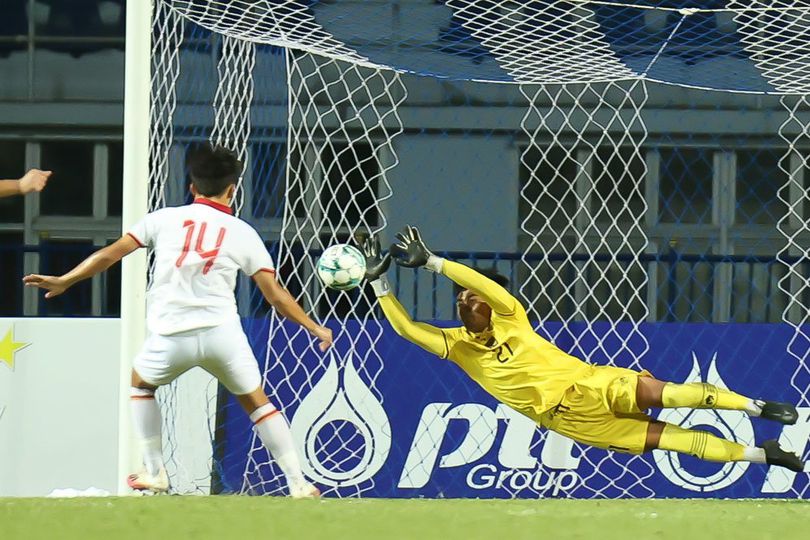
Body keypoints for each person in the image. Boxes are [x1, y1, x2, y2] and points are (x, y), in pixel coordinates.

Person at [358, 225, 805, 473]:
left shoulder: (511, 314)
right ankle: (766, 455)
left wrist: (435, 263)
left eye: (471, 296)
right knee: (680, 443)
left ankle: (755, 406)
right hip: (570, 421)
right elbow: (405, 328)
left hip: (591, 382)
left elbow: (480, 283)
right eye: (459, 299)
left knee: (671, 394)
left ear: (489, 302)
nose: (464, 300)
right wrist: (379, 281)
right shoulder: (457, 347)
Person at [23, 144, 332, 496]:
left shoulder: (162, 219)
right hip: (222, 335)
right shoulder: (243, 232)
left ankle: (155, 472)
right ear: (233, 189)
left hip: (171, 336)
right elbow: (275, 295)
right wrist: (315, 327)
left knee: (141, 385)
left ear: (192, 186)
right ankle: (298, 483)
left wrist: (66, 280)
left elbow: (110, 254)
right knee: (258, 403)